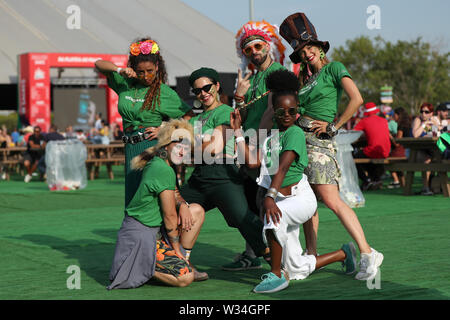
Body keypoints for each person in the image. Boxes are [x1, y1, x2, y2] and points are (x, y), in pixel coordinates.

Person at [231, 69, 357, 293]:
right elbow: (251, 162)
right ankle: (344, 253)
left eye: (292, 110)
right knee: (297, 269)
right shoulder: (270, 138)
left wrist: (268, 197)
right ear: (274, 112)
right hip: (280, 199)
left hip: (300, 199)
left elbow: (282, 168)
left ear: (298, 111)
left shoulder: (295, 134)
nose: (287, 114)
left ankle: (276, 275)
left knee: (272, 221)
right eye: (282, 110)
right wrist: (237, 131)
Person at [279, 12, 383, 281]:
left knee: (332, 200)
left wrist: (334, 126)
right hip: (299, 143)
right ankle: (311, 256)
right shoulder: (302, 79)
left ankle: (368, 252)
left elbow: (356, 98)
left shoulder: (334, 68)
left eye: (310, 47)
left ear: (319, 46)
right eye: (302, 50)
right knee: (307, 202)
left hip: (320, 144)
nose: (307, 53)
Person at [176, 67, 269, 275]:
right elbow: (178, 147)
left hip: (223, 175)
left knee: (243, 219)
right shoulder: (195, 120)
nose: (203, 93)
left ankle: (279, 261)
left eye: (207, 87)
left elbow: (214, 148)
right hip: (200, 177)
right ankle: (178, 260)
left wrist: (190, 145)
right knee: (171, 207)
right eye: (197, 91)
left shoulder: (225, 112)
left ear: (217, 86)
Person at [95, 37, 193, 207]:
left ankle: (168, 232)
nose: (146, 76)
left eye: (150, 70)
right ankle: (140, 234)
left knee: (156, 197)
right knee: (133, 199)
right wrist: (120, 70)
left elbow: (188, 117)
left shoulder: (164, 92)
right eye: (141, 71)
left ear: (157, 67)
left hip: (152, 147)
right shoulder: (125, 84)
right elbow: (98, 64)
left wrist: (164, 129)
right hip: (130, 147)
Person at [107, 119, 204, 289]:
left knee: (196, 210)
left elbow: (174, 192)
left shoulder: (162, 162)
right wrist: (176, 250)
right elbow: (169, 217)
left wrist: (182, 205)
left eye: (187, 146)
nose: (183, 150)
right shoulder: (162, 168)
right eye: (178, 144)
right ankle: (141, 267)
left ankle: (169, 263)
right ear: (167, 144)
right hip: (141, 236)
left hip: (153, 233)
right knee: (185, 278)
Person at [223, 20, 287, 271]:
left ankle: (283, 257)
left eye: (258, 46)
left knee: (270, 203)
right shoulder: (252, 77)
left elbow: (274, 110)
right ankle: (254, 251)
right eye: (248, 49)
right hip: (249, 145)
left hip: (270, 147)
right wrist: (239, 95)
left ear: (268, 46)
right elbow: (239, 115)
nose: (254, 52)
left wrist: (258, 143)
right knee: (250, 201)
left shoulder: (278, 75)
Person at [353, 102, 391, 191]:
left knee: (353, 157)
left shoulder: (364, 121)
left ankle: (366, 180)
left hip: (373, 151)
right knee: (366, 156)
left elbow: (352, 134)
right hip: (385, 151)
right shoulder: (384, 120)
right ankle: (375, 179)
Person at [412, 102, 440, 195]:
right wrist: (424, 124)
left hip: (432, 149)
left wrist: (435, 125)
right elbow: (416, 135)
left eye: (426, 112)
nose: (423, 114)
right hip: (417, 150)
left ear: (431, 113)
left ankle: (438, 186)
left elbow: (437, 134)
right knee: (427, 160)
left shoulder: (434, 120)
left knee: (440, 159)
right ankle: (425, 187)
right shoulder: (418, 120)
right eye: (422, 111)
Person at [387, 107, 412, 189]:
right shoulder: (408, 123)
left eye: (394, 115)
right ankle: (402, 184)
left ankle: (398, 181)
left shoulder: (401, 126)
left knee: (387, 161)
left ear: (398, 115)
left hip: (405, 150)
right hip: (410, 149)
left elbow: (397, 143)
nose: (393, 116)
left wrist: (390, 136)